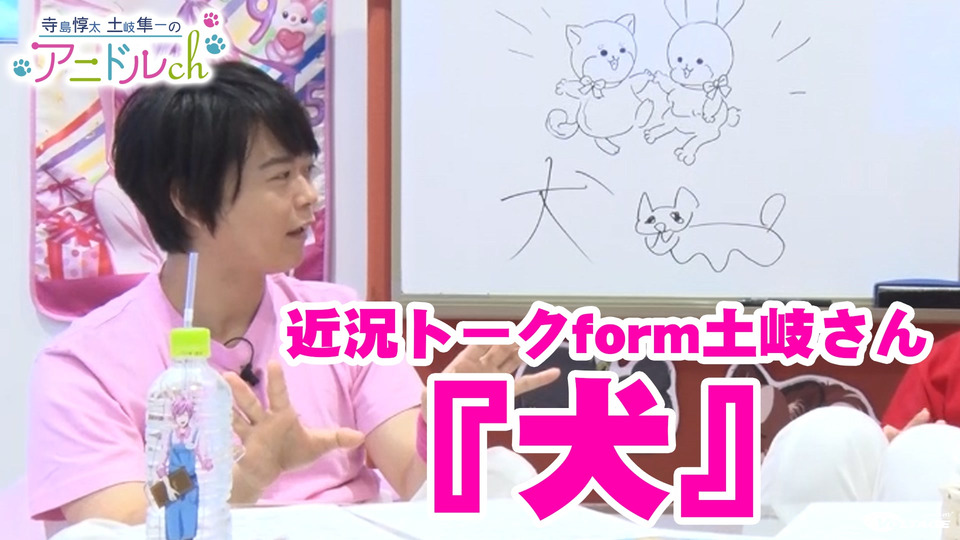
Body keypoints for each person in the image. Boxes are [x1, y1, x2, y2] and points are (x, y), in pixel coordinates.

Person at [26, 61, 561, 529]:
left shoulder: (341, 320)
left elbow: (416, 478)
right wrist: (242, 476)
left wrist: (450, 425)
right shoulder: (86, 365)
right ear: (187, 199)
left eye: (308, 170)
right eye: (281, 176)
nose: (309, 197)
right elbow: (120, 524)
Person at [759, 330, 960, 524]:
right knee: (832, 431)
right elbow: (900, 457)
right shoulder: (943, 361)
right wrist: (897, 450)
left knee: (931, 448)